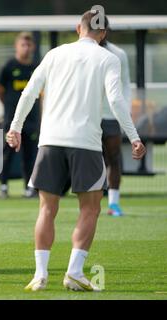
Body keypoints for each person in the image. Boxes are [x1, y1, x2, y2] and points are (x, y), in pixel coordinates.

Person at [6, 10, 146, 291]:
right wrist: (134, 136)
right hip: (86, 143)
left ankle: (40, 275)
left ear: (77, 28)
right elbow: (116, 101)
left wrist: (15, 127)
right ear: (103, 34)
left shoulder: (56, 54)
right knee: (90, 209)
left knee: (47, 208)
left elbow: (30, 91)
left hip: (50, 140)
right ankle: (74, 272)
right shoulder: (109, 58)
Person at [0, 32, 40, 199]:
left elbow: (41, 94)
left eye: (29, 45)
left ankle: (28, 188)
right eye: (23, 45)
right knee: (8, 153)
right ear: (17, 46)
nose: (26, 48)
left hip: (31, 120)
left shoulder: (36, 68)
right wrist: (9, 108)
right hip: (11, 119)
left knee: (30, 154)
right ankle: (3, 186)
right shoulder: (9, 67)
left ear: (33, 47)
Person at [99, 31, 132, 217]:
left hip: (111, 116)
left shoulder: (118, 53)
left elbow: (125, 84)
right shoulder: (80, 52)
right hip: (88, 116)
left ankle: (114, 204)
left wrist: (125, 110)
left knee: (114, 157)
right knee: (89, 160)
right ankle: (91, 204)